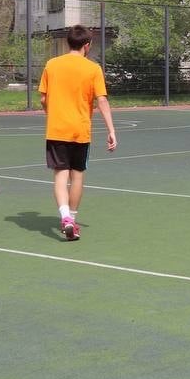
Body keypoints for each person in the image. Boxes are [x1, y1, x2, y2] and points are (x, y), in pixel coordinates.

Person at [38, 24, 117, 241]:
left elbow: (44, 98)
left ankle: (65, 217)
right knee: (78, 175)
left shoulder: (52, 65)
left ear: (67, 42)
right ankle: (72, 218)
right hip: (80, 130)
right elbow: (101, 99)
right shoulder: (93, 69)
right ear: (87, 45)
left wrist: (51, 114)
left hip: (57, 129)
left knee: (60, 175)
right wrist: (111, 130)